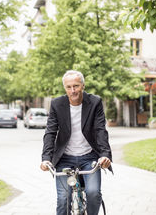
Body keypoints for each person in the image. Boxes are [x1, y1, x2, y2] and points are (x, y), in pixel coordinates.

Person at [40, 70, 112, 215]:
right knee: (63, 199)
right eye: (69, 87)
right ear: (65, 88)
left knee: (93, 193)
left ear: (83, 86)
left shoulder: (95, 102)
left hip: (89, 157)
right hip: (64, 159)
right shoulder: (56, 104)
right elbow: (50, 132)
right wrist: (46, 159)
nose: (73, 90)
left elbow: (100, 130)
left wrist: (105, 155)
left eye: (76, 86)